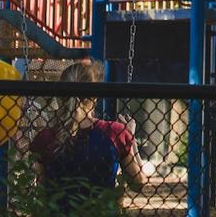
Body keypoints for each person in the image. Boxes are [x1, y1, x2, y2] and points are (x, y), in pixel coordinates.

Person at [28, 60, 144, 215]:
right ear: (95, 96)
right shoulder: (115, 133)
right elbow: (138, 183)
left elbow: (41, 191)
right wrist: (131, 138)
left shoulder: (45, 138)